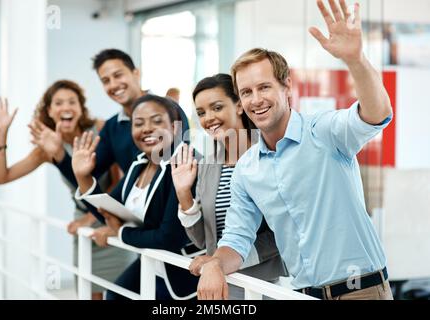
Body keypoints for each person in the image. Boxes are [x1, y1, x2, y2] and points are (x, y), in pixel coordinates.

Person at [195, 0, 394, 300]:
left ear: (287, 86)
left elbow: (376, 114)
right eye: (246, 92)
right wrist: (213, 265)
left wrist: (355, 60)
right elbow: (236, 241)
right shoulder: (247, 169)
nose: (256, 99)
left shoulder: (324, 132)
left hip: (361, 291)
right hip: (300, 294)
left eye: (265, 87)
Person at [0, 80, 133, 299]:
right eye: (58, 103)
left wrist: (89, 218)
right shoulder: (46, 149)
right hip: (86, 230)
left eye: (71, 102)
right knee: (89, 291)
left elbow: (117, 181)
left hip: (110, 220)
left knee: (123, 292)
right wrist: (2, 134)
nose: (66, 107)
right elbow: (2, 177)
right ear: (50, 111)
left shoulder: (101, 129)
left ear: (80, 108)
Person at [30, 49, 190, 244]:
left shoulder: (170, 111)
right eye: (105, 80)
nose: (113, 84)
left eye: (118, 75)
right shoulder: (112, 128)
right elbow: (87, 176)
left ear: (136, 73)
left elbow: (175, 169)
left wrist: (119, 228)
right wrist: (61, 156)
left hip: (170, 236)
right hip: (139, 232)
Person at [171, 74, 288, 299]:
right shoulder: (207, 165)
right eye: (201, 113)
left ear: (238, 105)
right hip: (217, 283)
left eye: (217, 107)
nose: (209, 118)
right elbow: (204, 240)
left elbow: (281, 233)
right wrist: (183, 193)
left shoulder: (269, 157)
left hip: (260, 285)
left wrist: (220, 262)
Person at [72, 94, 199, 300]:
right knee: (113, 296)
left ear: (175, 128)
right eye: (138, 123)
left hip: (182, 272)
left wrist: (120, 232)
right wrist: (82, 176)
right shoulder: (139, 164)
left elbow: (168, 238)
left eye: (157, 121)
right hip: (151, 262)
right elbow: (109, 209)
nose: (146, 128)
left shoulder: (184, 165)